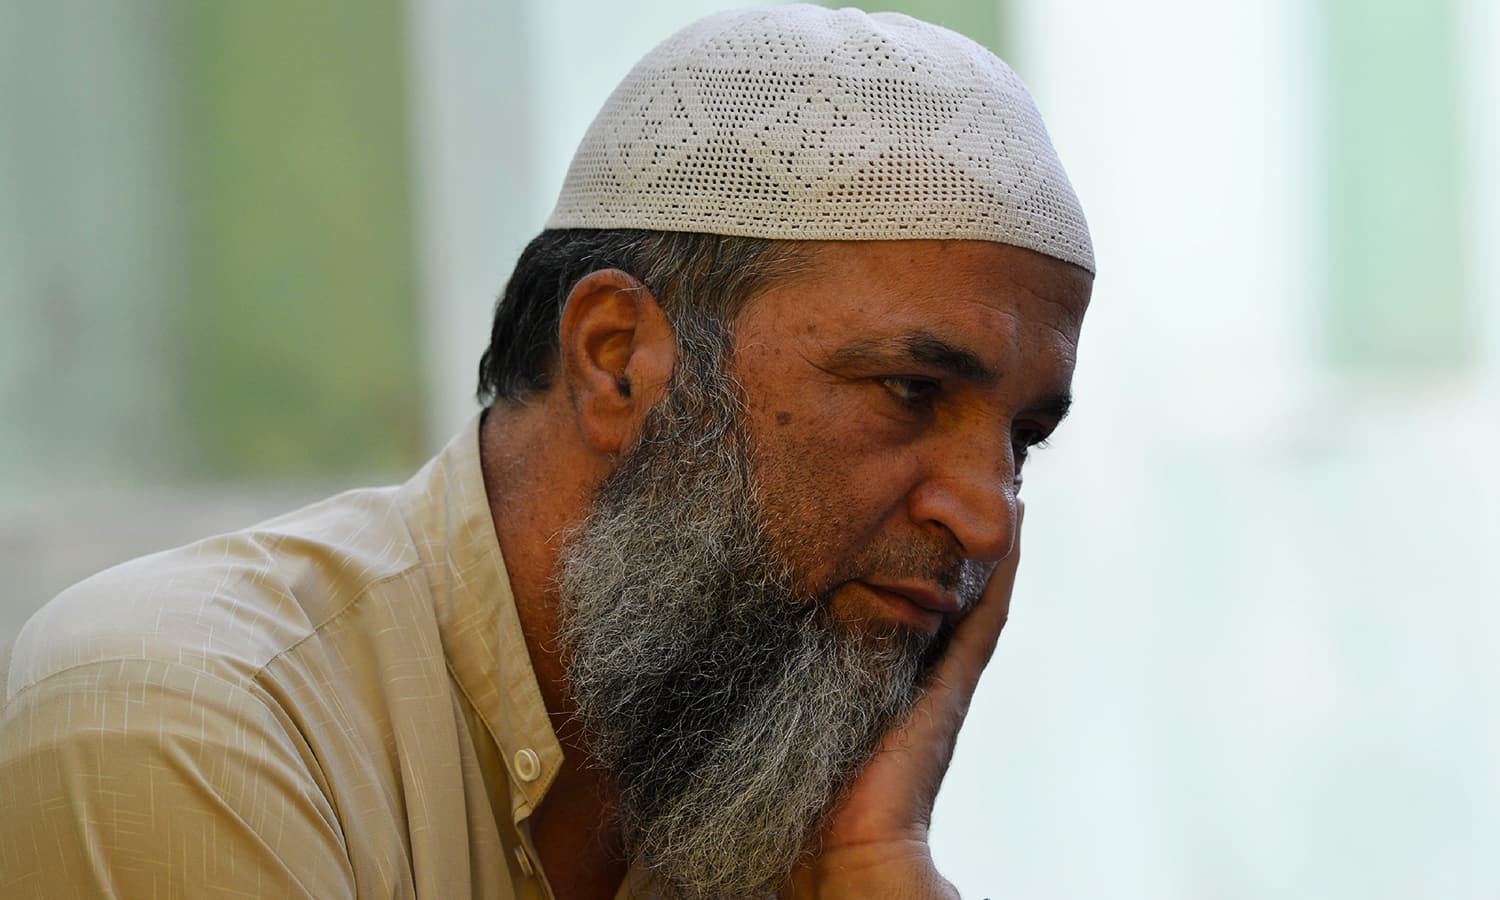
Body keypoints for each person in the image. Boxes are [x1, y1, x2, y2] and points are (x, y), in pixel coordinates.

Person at [0, 5, 1094, 898]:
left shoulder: (764, 791)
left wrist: (875, 868)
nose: (988, 516)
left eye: (1023, 439)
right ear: (618, 360)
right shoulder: (190, 715)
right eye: (911, 391)